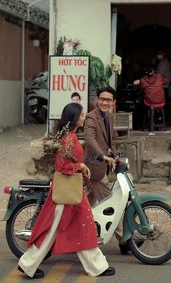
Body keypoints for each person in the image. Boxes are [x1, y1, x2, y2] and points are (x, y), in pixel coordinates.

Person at [17, 103, 115, 279]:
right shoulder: (69, 138)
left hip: (70, 190)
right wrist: (81, 165)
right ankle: (28, 264)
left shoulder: (69, 136)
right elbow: (62, 166)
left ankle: (97, 266)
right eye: (82, 115)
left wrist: (81, 167)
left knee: (82, 228)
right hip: (66, 193)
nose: (84, 118)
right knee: (58, 230)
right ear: (74, 118)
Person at [83, 86, 130, 253]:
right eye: (102, 99)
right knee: (112, 204)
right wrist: (103, 157)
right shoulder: (91, 118)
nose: (104, 102)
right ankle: (125, 241)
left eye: (108, 100)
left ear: (113, 102)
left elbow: (110, 143)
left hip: (102, 168)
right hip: (93, 168)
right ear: (97, 100)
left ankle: (77, 233)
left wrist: (115, 156)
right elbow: (90, 140)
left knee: (86, 205)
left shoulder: (109, 117)